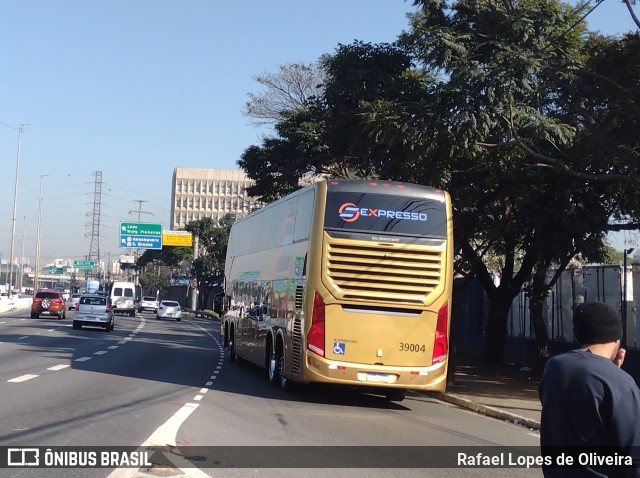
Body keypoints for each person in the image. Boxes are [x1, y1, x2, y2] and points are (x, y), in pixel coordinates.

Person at [539, 301, 640, 477]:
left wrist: (610, 373)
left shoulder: (554, 367)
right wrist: (614, 376)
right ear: (617, 340)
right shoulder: (622, 383)